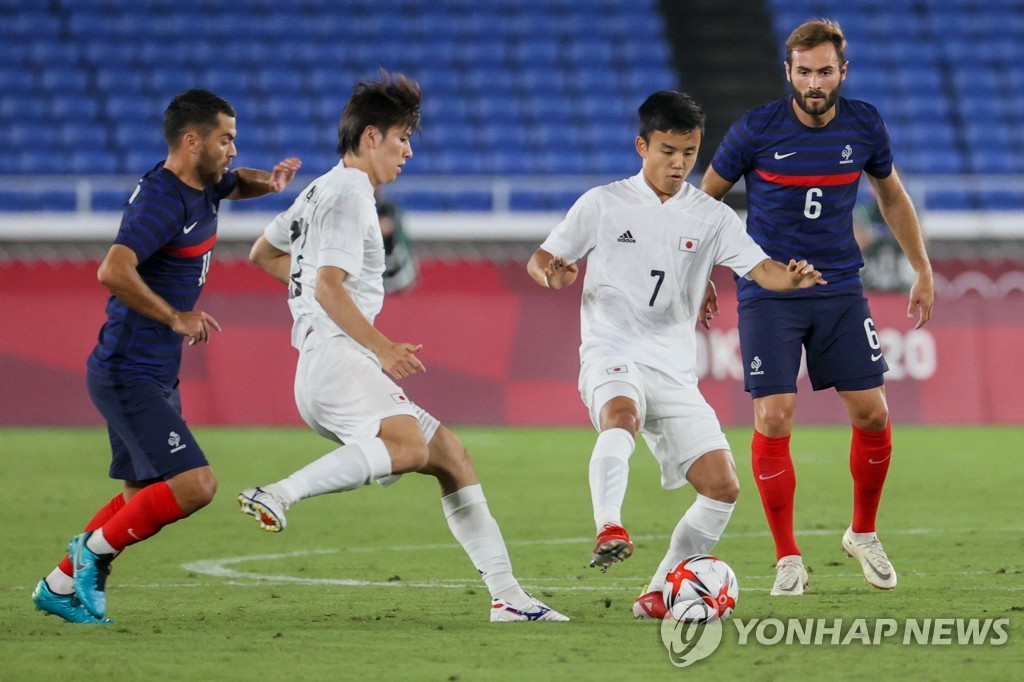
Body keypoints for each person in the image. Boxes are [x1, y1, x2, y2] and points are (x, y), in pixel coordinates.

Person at [238, 71, 568, 623]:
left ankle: (508, 598)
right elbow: (326, 285)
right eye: (402, 138)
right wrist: (382, 346)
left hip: (331, 361)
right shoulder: (349, 195)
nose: (408, 151)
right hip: (339, 358)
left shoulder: (321, 187)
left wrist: (319, 306)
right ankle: (279, 492)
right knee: (410, 446)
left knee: (452, 458)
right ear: (371, 137)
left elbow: (264, 255)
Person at [527, 90, 825, 619]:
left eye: (689, 152)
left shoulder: (710, 216)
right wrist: (554, 272)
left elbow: (763, 270)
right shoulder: (602, 203)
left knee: (723, 486)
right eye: (667, 150)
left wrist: (793, 278)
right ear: (642, 145)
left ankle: (658, 593)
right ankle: (609, 525)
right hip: (610, 350)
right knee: (620, 415)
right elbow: (545, 258)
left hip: (672, 367)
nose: (679, 163)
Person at [31, 89, 301, 624]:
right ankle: (91, 554)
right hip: (129, 369)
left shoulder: (202, 182)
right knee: (195, 485)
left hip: (149, 369)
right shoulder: (162, 200)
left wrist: (267, 183)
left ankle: (59, 585)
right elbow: (113, 269)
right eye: (225, 139)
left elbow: (235, 181)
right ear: (192, 140)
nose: (232, 149)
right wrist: (175, 317)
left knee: (143, 493)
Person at [699, 19, 934, 596]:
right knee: (774, 416)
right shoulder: (755, 130)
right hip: (768, 293)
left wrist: (922, 269)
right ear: (789, 72)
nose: (814, 82)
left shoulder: (864, 124)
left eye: (824, 71)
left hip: (838, 290)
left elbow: (892, 196)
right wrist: (701, 272)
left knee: (873, 414)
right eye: (803, 72)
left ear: (842, 72)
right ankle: (787, 556)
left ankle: (864, 533)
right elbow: (703, 201)